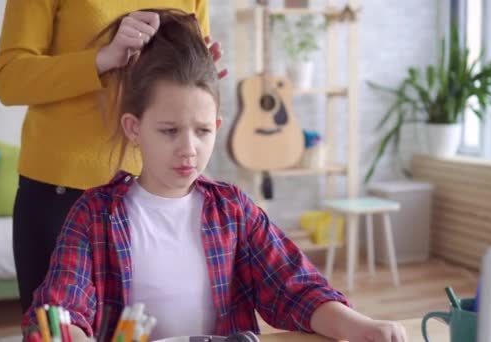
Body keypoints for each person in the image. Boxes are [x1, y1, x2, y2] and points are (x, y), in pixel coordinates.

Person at [22, 9, 406, 342]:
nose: (189, 148)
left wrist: (359, 326)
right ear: (134, 128)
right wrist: (69, 332)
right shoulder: (93, 215)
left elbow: (294, 287)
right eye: (169, 131)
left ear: (218, 126)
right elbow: (61, 303)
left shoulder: (233, 210)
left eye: (202, 131)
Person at [0, 0, 224, 313]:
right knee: (56, 326)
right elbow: (10, 80)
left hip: (155, 192)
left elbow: (183, 89)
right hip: (62, 191)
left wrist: (197, 69)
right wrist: (103, 58)